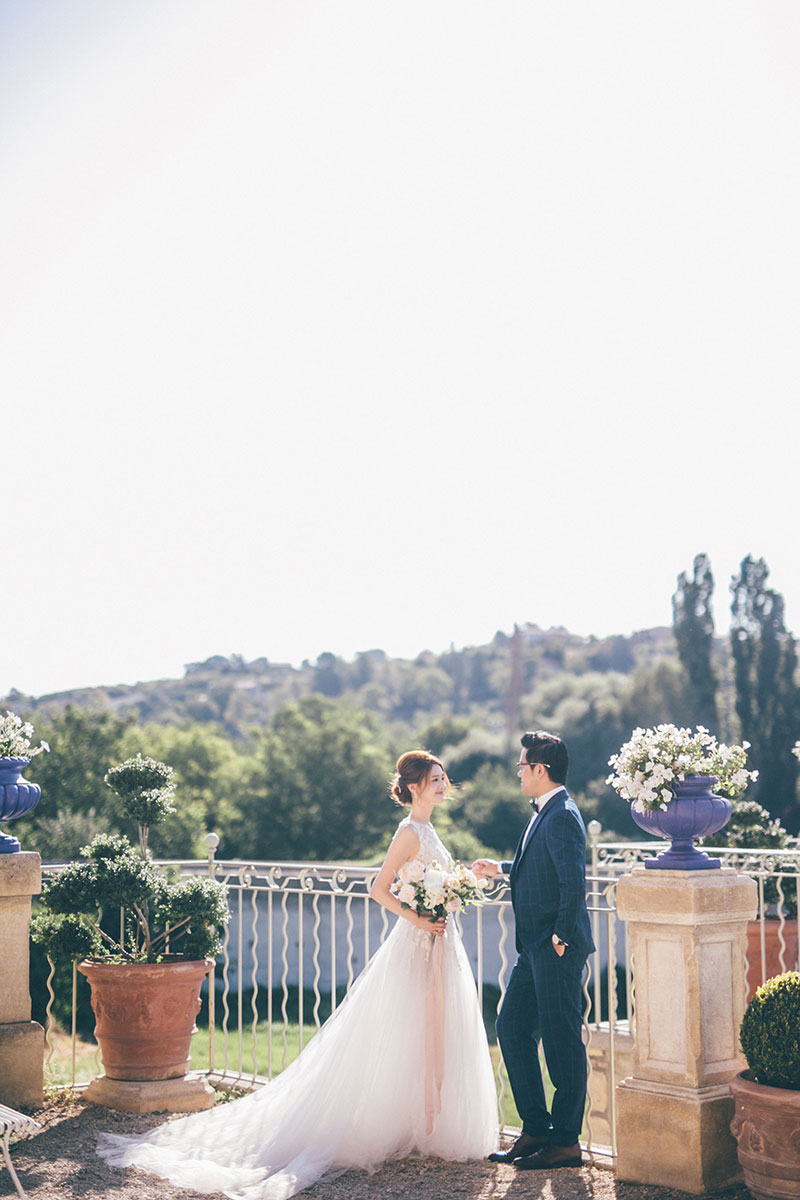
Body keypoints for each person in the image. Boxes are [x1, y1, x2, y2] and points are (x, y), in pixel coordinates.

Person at [96, 750, 498, 1199]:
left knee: (431, 1033)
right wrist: (419, 919)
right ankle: (413, 1124)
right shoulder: (407, 831)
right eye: (436, 779)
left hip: (439, 945)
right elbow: (378, 889)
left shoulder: (427, 829)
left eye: (444, 778)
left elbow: (433, 880)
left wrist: (469, 877)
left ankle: (427, 1125)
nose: (444, 785)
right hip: (418, 943)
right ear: (415, 786)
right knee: (408, 1029)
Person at [473, 730, 594, 1171]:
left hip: (555, 946)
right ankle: (536, 1129)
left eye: (522, 767)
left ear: (540, 770)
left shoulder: (562, 814)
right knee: (510, 1028)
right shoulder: (548, 810)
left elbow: (572, 880)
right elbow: (540, 866)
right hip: (536, 947)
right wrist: (502, 868)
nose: (519, 773)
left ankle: (565, 1142)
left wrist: (561, 936)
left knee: (562, 1043)